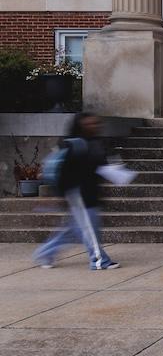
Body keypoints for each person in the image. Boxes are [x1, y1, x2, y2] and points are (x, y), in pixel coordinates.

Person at [34, 112, 119, 270]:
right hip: (78, 194)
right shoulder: (73, 144)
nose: (94, 127)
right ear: (81, 127)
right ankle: (99, 260)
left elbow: (100, 166)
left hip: (91, 192)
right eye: (89, 124)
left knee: (74, 229)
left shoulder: (96, 143)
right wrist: (62, 194)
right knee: (89, 228)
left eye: (96, 124)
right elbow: (65, 173)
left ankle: (45, 252)